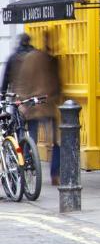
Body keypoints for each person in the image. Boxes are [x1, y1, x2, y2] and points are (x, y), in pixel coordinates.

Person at [13, 32, 62, 185]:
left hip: (34, 106)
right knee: (53, 142)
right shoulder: (51, 60)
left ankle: (29, 168)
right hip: (45, 105)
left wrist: (21, 101)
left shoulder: (29, 59)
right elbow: (59, 84)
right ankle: (53, 173)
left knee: (33, 140)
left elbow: (21, 81)